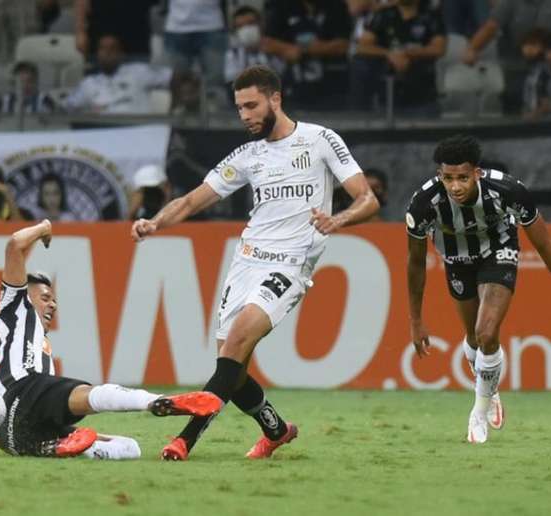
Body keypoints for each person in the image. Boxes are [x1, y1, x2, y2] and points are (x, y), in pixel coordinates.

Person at [130, 65, 379, 460]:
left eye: (251, 105)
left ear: (275, 99)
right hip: (246, 263)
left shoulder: (320, 140)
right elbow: (194, 199)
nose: (245, 115)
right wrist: (155, 222)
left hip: (290, 266)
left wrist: (338, 220)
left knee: (239, 340)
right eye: (239, 108)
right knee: (232, 366)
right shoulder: (248, 155)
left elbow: (368, 199)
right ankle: (276, 430)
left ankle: (184, 439)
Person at [0, 219, 222, 458]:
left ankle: (50, 448)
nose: (53, 304)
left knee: (129, 448)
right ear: (24, 294)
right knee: (90, 394)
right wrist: (44, 227)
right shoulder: (14, 305)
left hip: (15, 431)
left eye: (54, 299)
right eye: (46, 297)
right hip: (27, 390)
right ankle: (155, 401)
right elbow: (15, 245)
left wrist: (10, 443)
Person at [406, 135, 551, 444]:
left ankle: (478, 411)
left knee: (487, 332)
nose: (455, 186)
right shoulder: (423, 203)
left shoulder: (509, 191)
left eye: (462, 177)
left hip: (498, 250)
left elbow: (544, 244)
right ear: (439, 175)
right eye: (448, 178)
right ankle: (491, 389)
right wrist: (416, 320)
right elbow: (416, 264)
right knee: (473, 338)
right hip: (457, 260)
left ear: (477, 173)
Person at [354, 0, 446, 115]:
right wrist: (389, 54)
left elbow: (438, 49)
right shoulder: (382, 15)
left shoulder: (432, 15)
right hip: (386, 96)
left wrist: (406, 53)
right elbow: (362, 47)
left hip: (423, 97)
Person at [462, 0, 551, 114]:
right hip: (515, 68)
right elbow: (491, 27)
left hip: (549, 67)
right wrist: (472, 49)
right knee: (514, 107)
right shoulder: (509, 3)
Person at [261, 0, 353, 110]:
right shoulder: (281, 5)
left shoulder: (337, 6)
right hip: (292, 85)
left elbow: (344, 45)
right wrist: (288, 49)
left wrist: (304, 50)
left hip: (332, 86)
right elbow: (267, 43)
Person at [63, 33, 172, 114]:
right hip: (103, 135)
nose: (107, 52)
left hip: (139, 131)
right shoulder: (89, 83)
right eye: (103, 48)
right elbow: (68, 108)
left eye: (112, 48)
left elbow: (173, 77)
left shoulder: (139, 72)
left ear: (121, 54)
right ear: (97, 54)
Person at [521, 29, 551, 120]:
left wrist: (537, 112)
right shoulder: (534, 70)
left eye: (534, 44)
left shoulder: (545, 72)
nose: (528, 48)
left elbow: (545, 104)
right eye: (526, 44)